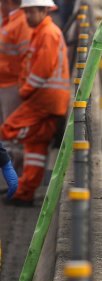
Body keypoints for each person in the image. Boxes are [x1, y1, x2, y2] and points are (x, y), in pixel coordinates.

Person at [1, 0, 69, 206]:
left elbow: (42, 69)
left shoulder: (47, 33)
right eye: (26, 12)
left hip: (43, 98)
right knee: (36, 146)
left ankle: (21, 186)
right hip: (48, 98)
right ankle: (24, 192)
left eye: (31, 12)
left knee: (8, 130)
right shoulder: (41, 32)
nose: (28, 17)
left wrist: (25, 90)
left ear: (45, 10)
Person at [0, 0, 32, 125]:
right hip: (7, 84)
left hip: (13, 86)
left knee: (11, 130)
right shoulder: (11, 21)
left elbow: (27, 58)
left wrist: (23, 87)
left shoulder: (21, 23)